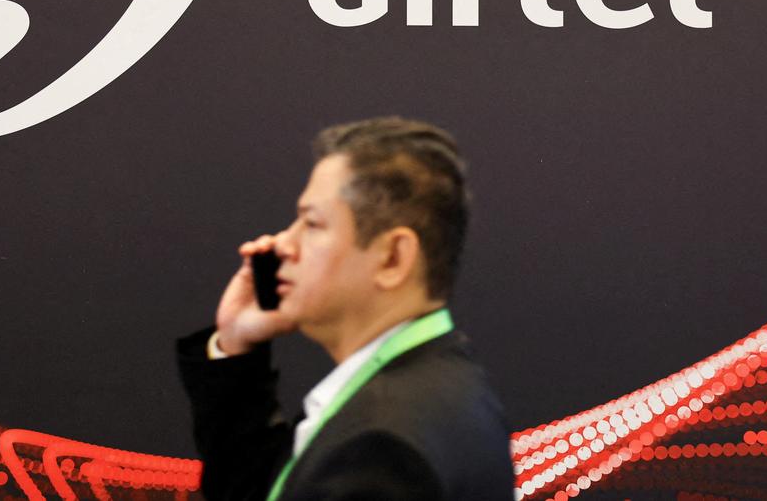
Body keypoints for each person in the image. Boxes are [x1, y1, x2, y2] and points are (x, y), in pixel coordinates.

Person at [177, 117, 515, 500]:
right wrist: (236, 345)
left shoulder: (381, 444)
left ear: (393, 258)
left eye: (312, 224)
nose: (283, 243)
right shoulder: (442, 389)